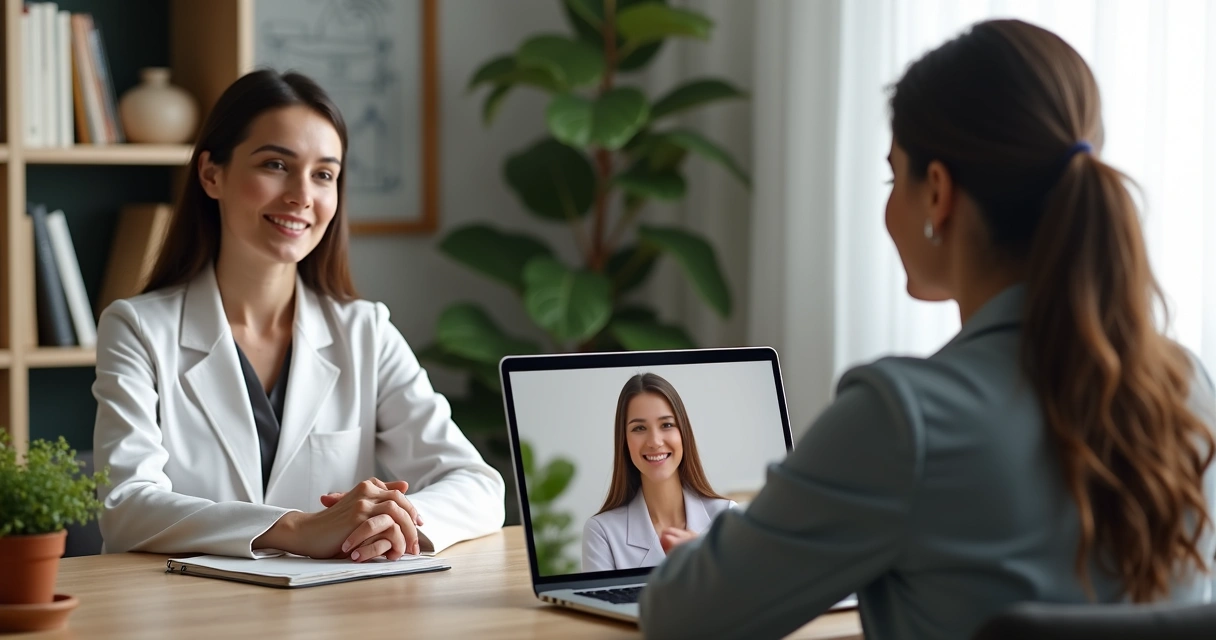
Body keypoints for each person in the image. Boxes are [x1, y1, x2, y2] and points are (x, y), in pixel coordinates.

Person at [639, 19, 1216, 640]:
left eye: (894, 176)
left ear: (937, 191)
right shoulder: (1185, 389)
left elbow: (680, 620)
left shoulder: (901, 420)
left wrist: (718, 551)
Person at [92, 70, 505, 563]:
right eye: (275, 164)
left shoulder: (365, 331)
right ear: (211, 175)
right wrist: (293, 528)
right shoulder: (138, 329)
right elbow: (126, 506)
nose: (302, 196)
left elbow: (478, 485)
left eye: (324, 174)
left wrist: (386, 523)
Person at [582, 373, 736, 572]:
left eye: (667, 425)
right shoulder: (602, 532)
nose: (654, 441)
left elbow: (749, 599)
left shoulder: (726, 517)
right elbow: (598, 604)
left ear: (684, 433)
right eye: (639, 428)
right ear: (624, 441)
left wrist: (704, 557)